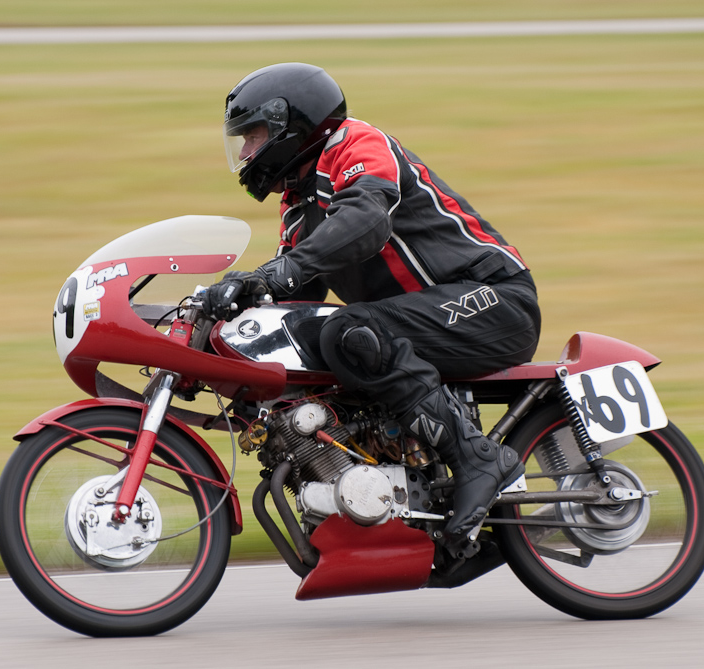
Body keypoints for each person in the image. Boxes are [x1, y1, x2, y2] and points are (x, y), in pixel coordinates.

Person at [203, 62, 541, 556]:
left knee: (348, 330)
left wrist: (279, 273)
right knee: (319, 345)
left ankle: (477, 459)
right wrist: (235, 300)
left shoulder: (355, 144)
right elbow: (298, 292)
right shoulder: (298, 202)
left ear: (290, 126)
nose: (248, 153)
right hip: (428, 316)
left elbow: (365, 217)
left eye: (254, 138)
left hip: (493, 298)